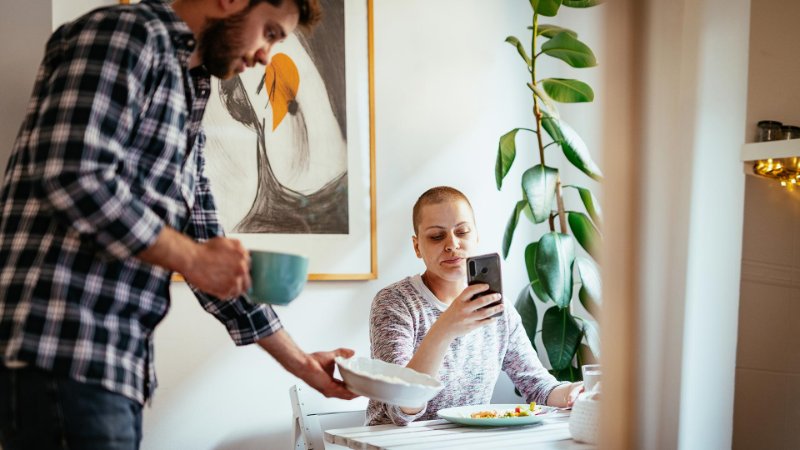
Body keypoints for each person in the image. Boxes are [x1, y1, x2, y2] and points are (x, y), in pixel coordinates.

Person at [0, 0, 355, 448]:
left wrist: (304, 365)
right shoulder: (127, 33)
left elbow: (206, 245)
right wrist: (193, 256)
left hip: (112, 367)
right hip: (60, 350)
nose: (267, 55)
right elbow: (72, 173)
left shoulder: (189, 88)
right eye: (268, 31)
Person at [367, 186, 583, 425]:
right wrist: (445, 327)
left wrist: (574, 393)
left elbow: (538, 388)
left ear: (476, 237)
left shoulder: (498, 309)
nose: (452, 244)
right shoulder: (394, 303)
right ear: (417, 247)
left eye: (462, 232)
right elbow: (401, 409)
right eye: (437, 236)